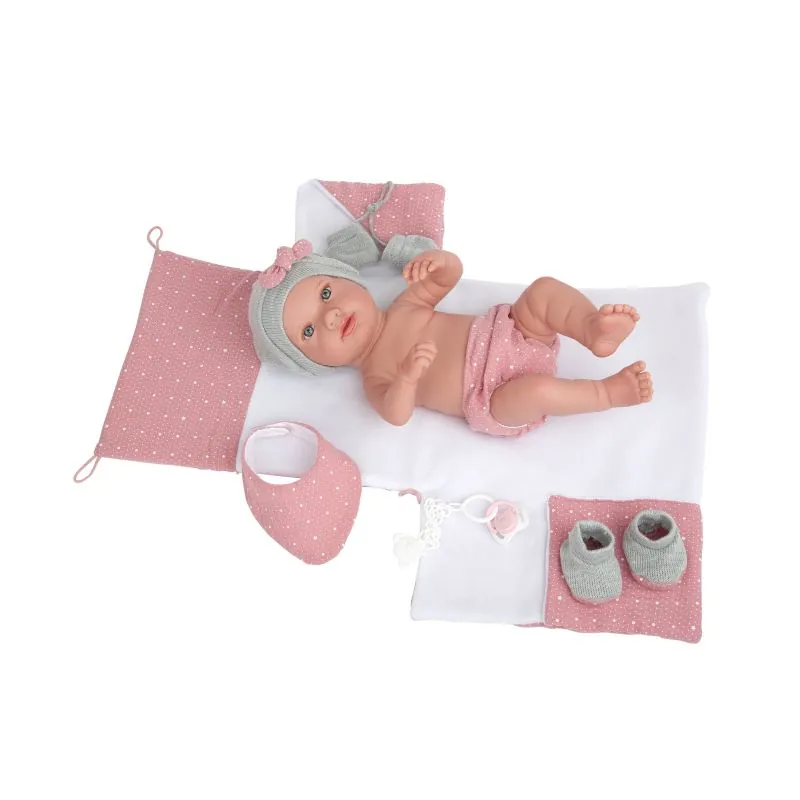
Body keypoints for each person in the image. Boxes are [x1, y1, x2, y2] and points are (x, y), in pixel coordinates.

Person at [249, 238, 653, 436]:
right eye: (308, 330)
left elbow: (449, 277)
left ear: (349, 279)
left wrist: (440, 262)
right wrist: (406, 378)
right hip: (493, 397)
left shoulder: (406, 305)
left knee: (542, 291)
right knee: (540, 391)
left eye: (325, 294)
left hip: (512, 333)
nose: (332, 316)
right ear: (313, 363)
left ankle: (592, 329)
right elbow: (396, 414)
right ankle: (607, 393)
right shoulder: (374, 375)